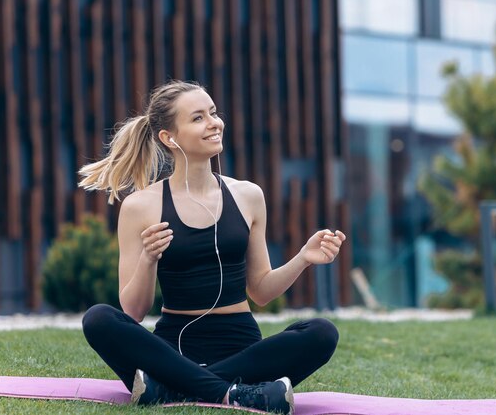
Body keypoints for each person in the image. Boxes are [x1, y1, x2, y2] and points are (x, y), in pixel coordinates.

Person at [78, 80, 346, 414]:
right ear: (169, 138)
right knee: (99, 318)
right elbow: (132, 311)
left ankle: (169, 388)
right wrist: (148, 260)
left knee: (321, 332)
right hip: (172, 347)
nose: (214, 123)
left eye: (213, 113)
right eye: (198, 118)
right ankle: (235, 394)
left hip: (241, 347)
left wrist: (303, 259)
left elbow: (260, 291)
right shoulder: (140, 207)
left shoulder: (248, 195)